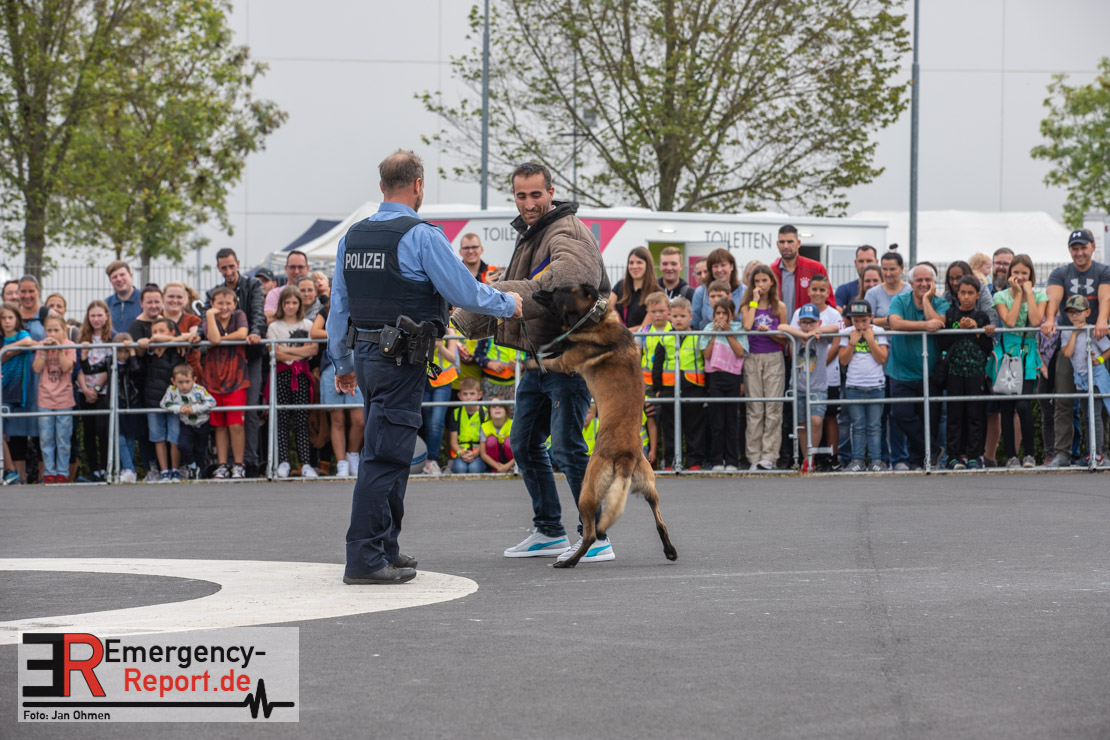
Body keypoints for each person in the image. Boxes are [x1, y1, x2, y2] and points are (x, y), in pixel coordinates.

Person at [328, 149, 519, 585]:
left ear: (382, 186)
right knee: (384, 457)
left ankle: (385, 547)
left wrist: (342, 362)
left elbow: (340, 304)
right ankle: (364, 557)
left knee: (392, 453)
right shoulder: (422, 236)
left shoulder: (352, 237)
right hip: (399, 360)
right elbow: (465, 292)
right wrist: (509, 303)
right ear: (418, 185)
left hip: (368, 355)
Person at [451, 160, 605, 565]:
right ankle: (549, 530)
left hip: (569, 359)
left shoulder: (566, 229)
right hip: (540, 361)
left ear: (551, 192)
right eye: (521, 195)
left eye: (536, 194)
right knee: (523, 442)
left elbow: (569, 283)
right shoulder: (534, 232)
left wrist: (493, 297)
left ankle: (596, 535)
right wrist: (491, 296)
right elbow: (535, 284)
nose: (529, 203)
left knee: (568, 448)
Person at [1041, 228, 1110, 467]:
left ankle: (1098, 453)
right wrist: (1050, 319)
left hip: (1097, 344)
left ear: (1092, 247)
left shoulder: (1103, 271)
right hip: (1069, 344)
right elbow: (1054, 298)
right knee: (1063, 399)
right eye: (1075, 248)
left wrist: (1101, 320)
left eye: (1083, 247)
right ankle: (1062, 453)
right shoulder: (1061, 273)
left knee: (1099, 401)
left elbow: (1105, 297)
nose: (1079, 252)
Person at [208, 248, 267, 476]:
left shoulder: (253, 285)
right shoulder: (214, 292)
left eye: (231, 266)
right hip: (221, 362)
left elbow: (258, 313)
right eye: (224, 267)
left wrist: (255, 333)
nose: (228, 271)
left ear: (238, 264)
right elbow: (206, 323)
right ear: (218, 268)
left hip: (249, 356)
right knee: (223, 415)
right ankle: (227, 463)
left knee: (248, 410)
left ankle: (247, 462)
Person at [888, 264, 949, 469]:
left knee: (928, 421)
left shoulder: (940, 302)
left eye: (928, 280)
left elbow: (938, 322)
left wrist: (925, 301)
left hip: (929, 373)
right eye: (919, 280)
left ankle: (918, 461)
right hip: (900, 372)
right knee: (901, 415)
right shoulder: (899, 300)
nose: (923, 284)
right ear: (911, 282)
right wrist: (924, 326)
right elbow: (895, 323)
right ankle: (932, 449)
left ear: (934, 282)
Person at [993, 255, 1046, 468]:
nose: (1020, 277)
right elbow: (1010, 321)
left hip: (1028, 354)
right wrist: (1016, 295)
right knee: (1007, 407)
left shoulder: (1039, 295)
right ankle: (1011, 457)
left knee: (1023, 404)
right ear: (1009, 274)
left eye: (1025, 273)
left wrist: (1029, 293)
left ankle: (1030, 455)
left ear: (1031, 275)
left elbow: (1035, 320)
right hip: (1007, 354)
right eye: (1016, 272)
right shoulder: (1000, 296)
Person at [939, 276, 995, 470]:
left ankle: (974, 456)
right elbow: (943, 343)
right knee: (954, 415)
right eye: (963, 292)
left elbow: (987, 347)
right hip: (954, 372)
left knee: (975, 415)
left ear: (978, 295)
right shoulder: (951, 314)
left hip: (976, 372)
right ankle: (953, 456)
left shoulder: (981, 317)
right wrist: (960, 330)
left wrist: (978, 330)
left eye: (970, 293)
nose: (966, 297)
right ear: (957, 293)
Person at [198, 286, 250, 480]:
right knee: (219, 425)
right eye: (220, 303)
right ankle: (222, 465)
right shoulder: (208, 320)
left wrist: (222, 339)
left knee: (236, 424)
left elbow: (242, 333)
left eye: (228, 303)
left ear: (234, 304)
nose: (224, 307)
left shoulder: (239, 316)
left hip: (236, 378)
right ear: (212, 304)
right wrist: (210, 315)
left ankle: (238, 464)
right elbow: (212, 338)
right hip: (214, 379)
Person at [865, 251, 910, 469]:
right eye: (885, 269)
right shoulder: (873, 293)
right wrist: (895, 320)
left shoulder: (909, 290)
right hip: (878, 360)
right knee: (879, 414)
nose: (889, 273)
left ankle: (900, 458)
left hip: (903, 359)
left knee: (899, 413)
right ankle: (879, 458)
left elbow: (910, 319)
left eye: (893, 269)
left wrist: (885, 321)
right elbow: (866, 321)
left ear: (901, 269)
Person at [268, 285, 318, 479]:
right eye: (287, 302)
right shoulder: (274, 326)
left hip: (301, 375)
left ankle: (306, 463)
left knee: (301, 420)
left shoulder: (307, 324)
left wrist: (287, 350)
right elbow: (275, 353)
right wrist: (298, 351)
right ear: (281, 304)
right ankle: (283, 462)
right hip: (282, 375)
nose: (290, 306)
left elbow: (313, 350)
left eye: (294, 302)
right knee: (281, 419)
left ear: (300, 304)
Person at [741, 265, 788, 470]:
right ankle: (753, 456)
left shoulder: (780, 307)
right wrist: (754, 301)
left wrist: (769, 331)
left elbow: (785, 338)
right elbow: (747, 325)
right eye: (756, 281)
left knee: (773, 408)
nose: (760, 285)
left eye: (764, 281)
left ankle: (769, 456)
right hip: (752, 358)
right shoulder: (747, 305)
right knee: (754, 408)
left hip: (773, 358)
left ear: (772, 282)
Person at [311, 299, 364, 477]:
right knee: (337, 419)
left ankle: (353, 455)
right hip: (331, 366)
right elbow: (314, 332)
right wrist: (339, 331)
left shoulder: (362, 305)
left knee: (359, 420)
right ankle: (341, 463)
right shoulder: (327, 309)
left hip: (358, 365)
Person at [1061, 295, 1110, 466]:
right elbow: (1067, 353)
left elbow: (1108, 349)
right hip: (1080, 379)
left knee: (1095, 415)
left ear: (1087, 312)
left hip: (1096, 378)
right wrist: (1075, 334)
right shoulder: (1066, 332)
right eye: (1071, 312)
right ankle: (1091, 452)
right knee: (1087, 417)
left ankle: (1098, 454)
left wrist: (1099, 360)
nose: (1074, 316)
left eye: (1078, 312)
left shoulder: (1093, 330)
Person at [840, 300, 889, 471]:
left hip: (876, 385)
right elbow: (843, 360)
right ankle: (857, 461)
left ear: (871, 317)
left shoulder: (878, 331)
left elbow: (882, 358)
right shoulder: (847, 333)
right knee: (857, 426)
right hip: (854, 385)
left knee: (874, 426)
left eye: (864, 320)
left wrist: (870, 340)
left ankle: (876, 461)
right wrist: (852, 342)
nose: (860, 325)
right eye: (856, 321)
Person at [700, 297, 746, 471]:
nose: (720, 317)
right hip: (715, 377)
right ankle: (717, 461)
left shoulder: (738, 328)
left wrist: (728, 333)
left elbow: (741, 352)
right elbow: (706, 355)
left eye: (724, 313)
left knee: (731, 421)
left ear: (731, 315)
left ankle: (732, 461)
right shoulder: (708, 328)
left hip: (733, 377)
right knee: (717, 421)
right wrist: (714, 334)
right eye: (717, 313)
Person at [137, 317, 185, 481]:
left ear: (172, 332)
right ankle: (164, 471)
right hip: (153, 400)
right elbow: (148, 343)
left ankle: (175, 470)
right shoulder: (150, 350)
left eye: (161, 330)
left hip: (175, 401)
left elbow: (191, 337)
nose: (157, 335)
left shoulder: (179, 348)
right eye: (154, 331)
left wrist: (175, 340)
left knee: (175, 437)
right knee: (158, 437)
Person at [32, 315, 75, 484]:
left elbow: (66, 367)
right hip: (45, 398)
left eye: (56, 330)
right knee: (46, 438)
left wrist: (59, 349)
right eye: (49, 330)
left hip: (64, 399)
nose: (52, 334)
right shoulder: (41, 345)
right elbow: (36, 369)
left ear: (64, 331)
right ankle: (49, 472)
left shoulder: (69, 345)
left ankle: (62, 472)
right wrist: (43, 352)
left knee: (63, 438)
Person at [75, 300, 114, 482]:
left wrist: (97, 388)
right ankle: (93, 470)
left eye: (99, 315)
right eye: (93, 315)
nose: (96, 319)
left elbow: (109, 366)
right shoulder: (82, 338)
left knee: (102, 430)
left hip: (103, 392)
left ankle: (106, 468)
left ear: (106, 316)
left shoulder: (112, 338)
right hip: (84, 390)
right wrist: (85, 389)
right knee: (88, 431)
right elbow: (78, 366)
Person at [666, 296, 706, 470]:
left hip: (694, 387)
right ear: (670, 317)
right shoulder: (665, 337)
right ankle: (670, 461)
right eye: (675, 316)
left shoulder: (698, 336)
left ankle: (694, 462)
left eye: (682, 316)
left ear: (691, 316)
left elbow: (705, 361)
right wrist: (658, 388)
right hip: (669, 387)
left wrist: (706, 389)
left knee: (694, 427)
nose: (678, 320)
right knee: (669, 427)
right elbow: (658, 363)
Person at [160, 363, 216, 480]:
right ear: (173, 381)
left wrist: (194, 409)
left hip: (202, 424)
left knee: (200, 450)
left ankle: (199, 474)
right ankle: (192, 466)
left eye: (187, 381)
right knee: (183, 445)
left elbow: (212, 402)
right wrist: (179, 408)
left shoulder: (199, 390)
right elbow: (164, 404)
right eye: (180, 382)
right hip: (186, 424)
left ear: (194, 380)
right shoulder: (172, 390)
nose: (184, 386)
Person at [0, 303, 36, 483]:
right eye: (3, 318)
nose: (7, 321)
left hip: (13, 391)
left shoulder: (22, 334)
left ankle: (11, 470)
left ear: (17, 319)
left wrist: (5, 351)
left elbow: (28, 342)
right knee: (2, 433)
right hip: (1, 388)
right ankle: (10, 471)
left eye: (10, 317)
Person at [772, 224, 834, 313]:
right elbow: (757, 302)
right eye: (782, 242)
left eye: (790, 242)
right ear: (777, 244)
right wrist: (753, 304)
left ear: (798, 243)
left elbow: (830, 303)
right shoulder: (771, 272)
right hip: (778, 322)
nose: (785, 246)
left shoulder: (816, 269)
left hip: (810, 322)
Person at [110, 333, 144, 483]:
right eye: (120, 351)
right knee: (119, 437)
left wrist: (133, 352)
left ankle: (129, 470)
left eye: (126, 351)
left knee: (130, 438)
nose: (123, 355)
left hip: (131, 403)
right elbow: (91, 369)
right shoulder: (109, 361)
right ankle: (129, 468)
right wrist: (85, 354)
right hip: (115, 404)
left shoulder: (133, 363)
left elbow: (137, 372)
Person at [611, 246, 662, 331]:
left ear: (648, 265)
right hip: (618, 336)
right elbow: (607, 307)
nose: (634, 266)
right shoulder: (620, 285)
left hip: (640, 338)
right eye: (631, 263)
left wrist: (621, 333)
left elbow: (644, 328)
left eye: (639, 262)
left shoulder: (657, 292)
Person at [691, 248, 743, 330]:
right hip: (707, 337)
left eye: (723, 265)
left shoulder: (744, 290)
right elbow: (694, 323)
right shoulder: (701, 292)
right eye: (715, 266)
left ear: (731, 266)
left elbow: (753, 312)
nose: (719, 270)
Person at [447, 377, 487, 473]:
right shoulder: (456, 413)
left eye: (472, 394)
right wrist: (461, 453)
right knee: (460, 468)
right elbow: (453, 441)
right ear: (459, 396)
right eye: (465, 394)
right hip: (461, 452)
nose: (468, 397)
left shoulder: (485, 413)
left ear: (479, 395)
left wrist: (475, 453)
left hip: (479, 452)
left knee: (474, 468)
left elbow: (486, 440)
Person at [265, 250, 311, 322]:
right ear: (286, 268)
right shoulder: (275, 294)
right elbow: (268, 318)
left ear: (307, 268)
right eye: (292, 267)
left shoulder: (315, 293)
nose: (296, 271)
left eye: (300, 267)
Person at [105, 260, 143, 332]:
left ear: (130, 276)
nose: (119, 279)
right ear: (110, 280)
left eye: (122, 275)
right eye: (114, 277)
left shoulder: (144, 300)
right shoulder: (106, 304)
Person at [479, 403, 514, 474]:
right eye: (494, 406)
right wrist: (498, 467)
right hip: (495, 464)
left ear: (506, 411)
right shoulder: (484, 426)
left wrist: (507, 466)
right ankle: (494, 470)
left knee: (508, 442)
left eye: (500, 406)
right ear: (489, 412)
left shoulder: (514, 424)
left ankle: (513, 469)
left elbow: (521, 452)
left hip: (511, 463)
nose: (497, 408)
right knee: (491, 440)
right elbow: (483, 454)